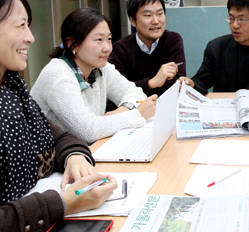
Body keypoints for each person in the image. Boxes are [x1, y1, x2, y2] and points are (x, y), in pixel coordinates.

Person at [0, 0, 117, 232]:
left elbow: (61, 138)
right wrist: (61, 204)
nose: (30, 37)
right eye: (20, 25)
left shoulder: (9, 87)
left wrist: (75, 158)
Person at [31, 8, 157, 144]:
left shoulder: (101, 67)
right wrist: (137, 114)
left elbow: (135, 92)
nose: (107, 47)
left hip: (87, 151)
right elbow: (88, 131)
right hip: (54, 159)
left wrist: (122, 111)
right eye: (99, 39)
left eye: (109, 39)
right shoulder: (58, 75)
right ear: (72, 43)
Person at [108, 0, 186, 97]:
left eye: (160, 14)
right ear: (132, 21)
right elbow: (119, 91)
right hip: (134, 110)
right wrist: (152, 83)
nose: (156, 21)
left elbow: (175, 85)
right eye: (148, 15)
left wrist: (138, 87)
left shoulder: (172, 40)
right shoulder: (120, 50)